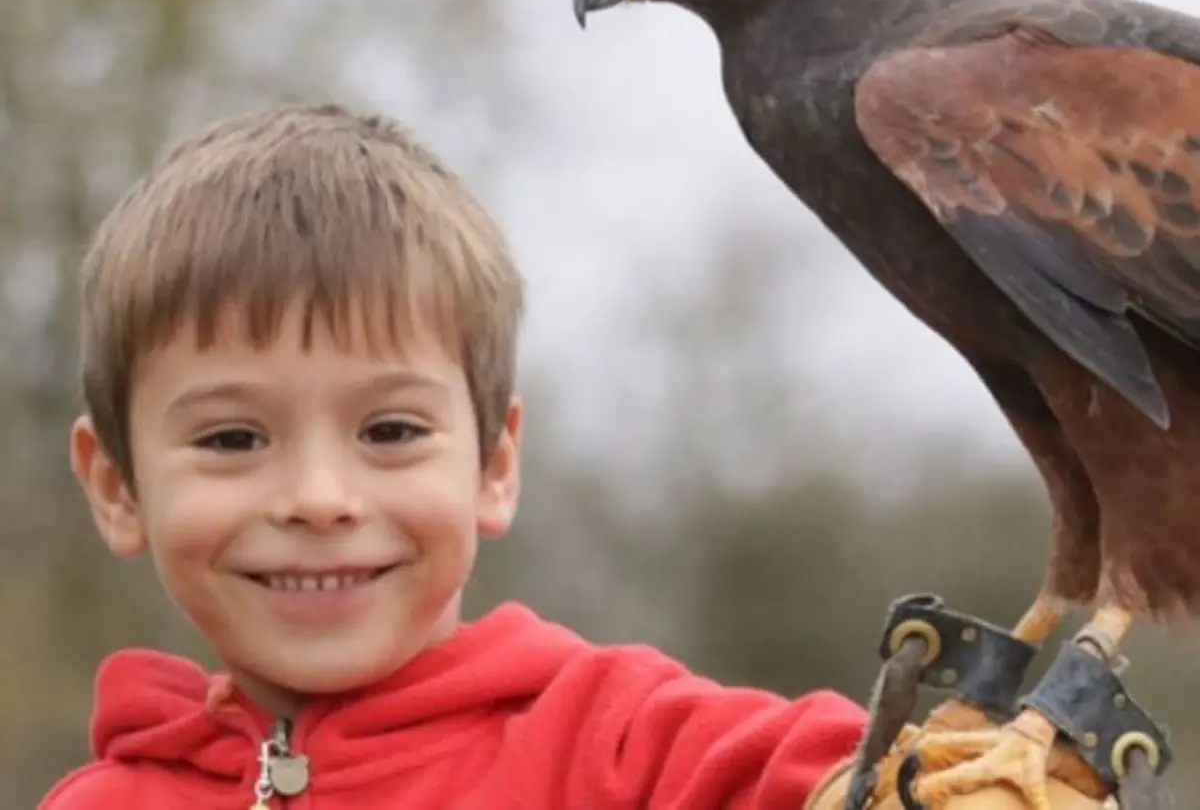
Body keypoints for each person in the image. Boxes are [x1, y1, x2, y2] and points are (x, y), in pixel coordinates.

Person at [39, 103, 1101, 809]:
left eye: (390, 431)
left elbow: (850, 774)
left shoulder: (629, 745)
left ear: (495, 464)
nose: (320, 497)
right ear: (118, 486)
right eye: (234, 438)